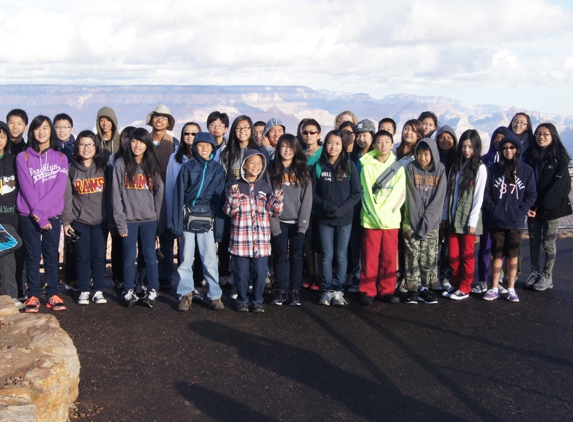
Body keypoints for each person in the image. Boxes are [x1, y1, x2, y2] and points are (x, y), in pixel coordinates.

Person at [16, 116, 69, 312]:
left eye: (45, 128)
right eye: (38, 128)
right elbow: (26, 187)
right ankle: (33, 295)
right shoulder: (23, 157)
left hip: (51, 216)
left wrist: (43, 215)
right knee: (32, 255)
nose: (41, 132)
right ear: (33, 132)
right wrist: (39, 216)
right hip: (29, 215)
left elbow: (58, 189)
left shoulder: (61, 158)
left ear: (51, 131)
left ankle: (53, 293)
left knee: (51, 255)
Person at [223, 150, 283, 313]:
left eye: (259, 163)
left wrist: (277, 199)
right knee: (241, 274)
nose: (256, 166)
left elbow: (274, 212)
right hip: (240, 242)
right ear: (244, 165)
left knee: (260, 272)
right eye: (252, 162)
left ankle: (257, 300)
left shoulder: (265, 186)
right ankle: (242, 300)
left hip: (261, 242)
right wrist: (234, 195)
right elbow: (229, 211)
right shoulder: (235, 185)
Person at [172, 132, 226, 311]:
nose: (204, 148)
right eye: (200, 145)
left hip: (207, 220)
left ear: (213, 148)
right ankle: (186, 294)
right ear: (194, 147)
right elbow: (178, 196)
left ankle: (215, 295)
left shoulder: (217, 169)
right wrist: (177, 224)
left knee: (210, 258)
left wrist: (219, 229)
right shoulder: (187, 168)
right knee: (185, 259)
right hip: (188, 217)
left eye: (208, 145)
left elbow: (219, 200)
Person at [112, 128, 164, 308]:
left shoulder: (152, 165)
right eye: (134, 141)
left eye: (141, 142)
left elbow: (159, 192)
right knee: (128, 257)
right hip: (128, 220)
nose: (137, 145)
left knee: (149, 256)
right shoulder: (121, 164)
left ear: (147, 144)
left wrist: (156, 217)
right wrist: (120, 223)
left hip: (149, 220)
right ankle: (128, 290)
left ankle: (152, 289)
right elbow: (116, 196)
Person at [482, 133, 536, 302]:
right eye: (504, 148)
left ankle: (511, 288)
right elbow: (487, 193)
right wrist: (493, 210)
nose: (508, 150)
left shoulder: (526, 170)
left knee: (512, 255)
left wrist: (520, 211)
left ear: (517, 149)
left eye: (512, 147)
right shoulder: (494, 169)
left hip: (516, 221)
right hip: (497, 220)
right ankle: (494, 287)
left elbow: (531, 194)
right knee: (497, 254)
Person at [312, 130, 361, 306]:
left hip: (345, 219)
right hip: (324, 218)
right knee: (327, 255)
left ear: (343, 146)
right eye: (330, 143)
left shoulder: (349, 166)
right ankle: (326, 290)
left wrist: (342, 210)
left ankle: (338, 290)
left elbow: (356, 194)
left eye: (337, 143)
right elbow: (313, 193)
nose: (333, 146)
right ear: (325, 145)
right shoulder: (318, 166)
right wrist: (326, 206)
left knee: (341, 255)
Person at [358, 130, 406, 304]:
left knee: (389, 256)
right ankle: (368, 290)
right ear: (374, 145)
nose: (383, 145)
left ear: (393, 145)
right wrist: (376, 215)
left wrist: (387, 214)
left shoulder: (398, 168)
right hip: (371, 220)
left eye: (387, 141)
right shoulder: (367, 167)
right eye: (379, 142)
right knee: (370, 256)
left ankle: (387, 290)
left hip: (391, 221)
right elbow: (366, 195)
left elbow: (400, 194)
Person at [63, 130, 109, 305]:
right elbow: (67, 197)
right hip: (80, 221)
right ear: (77, 147)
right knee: (82, 256)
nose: (86, 148)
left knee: (98, 256)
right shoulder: (71, 169)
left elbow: (112, 195)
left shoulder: (105, 168)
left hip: (101, 221)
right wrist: (67, 221)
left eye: (90, 144)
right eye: (82, 144)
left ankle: (98, 289)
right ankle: (83, 290)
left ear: (95, 147)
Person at [523, 123, 572, 291]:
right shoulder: (530, 155)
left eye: (545, 134)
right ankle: (535, 273)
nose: (541, 137)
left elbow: (562, 186)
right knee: (534, 241)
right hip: (533, 206)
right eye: (538, 134)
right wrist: (529, 203)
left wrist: (544, 205)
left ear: (553, 136)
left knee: (549, 242)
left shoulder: (560, 158)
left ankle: (547, 276)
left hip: (551, 208)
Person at [441, 130, 487, 300]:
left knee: (466, 255)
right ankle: (455, 283)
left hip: (468, 219)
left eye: (471, 147)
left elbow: (478, 197)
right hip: (453, 218)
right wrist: (445, 215)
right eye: (464, 146)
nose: (467, 150)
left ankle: (465, 287)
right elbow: (449, 193)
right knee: (453, 254)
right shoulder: (456, 166)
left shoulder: (480, 168)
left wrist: (473, 219)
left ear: (476, 148)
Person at [402, 139, 447, 304]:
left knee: (428, 257)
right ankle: (412, 290)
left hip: (431, 224)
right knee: (412, 256)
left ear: (433, 153)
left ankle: (425, 289)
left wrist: (426, 222)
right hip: (412, 223)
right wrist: (417, 222)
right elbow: (411, 197)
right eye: (420, 154)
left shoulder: (440, 170)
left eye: (427, 154)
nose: (423, 158)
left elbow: (438, 200)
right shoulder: (411, 168)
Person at [269, 134, 312, 306]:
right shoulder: (272, 170)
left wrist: (303, 224)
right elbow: (268, 199)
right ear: (278, 149)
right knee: (279, 256)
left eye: (290, 147)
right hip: (278, 221)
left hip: (297, 222)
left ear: (296, 150)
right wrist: (274, 225)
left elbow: (307, 199)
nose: (287, 150)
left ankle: (294, 290)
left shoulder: (303, 171)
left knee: (296, 257)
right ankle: (280, 290)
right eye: (283, 146)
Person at [146, 105, 179, 290]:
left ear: (168, 122)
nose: (159, 120)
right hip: (145, 193)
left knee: (167, 238)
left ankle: (165, 276)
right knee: (146, 239)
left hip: (167, 195)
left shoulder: (174, 143)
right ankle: (146, 276)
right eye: (156, 116)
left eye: (164, 118)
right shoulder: (144, 140)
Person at [473, 126, 509, 294]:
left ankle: (497, 279)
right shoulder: (484, 159)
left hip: (504, 211)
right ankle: (483, 279)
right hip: (487, 209)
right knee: (485, 244)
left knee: (500, 247)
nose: (498, 140)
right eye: (496, 137)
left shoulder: (511, 163)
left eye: (502, 137)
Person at [108, 126, 135, 291]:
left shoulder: (142, 160)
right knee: (118, 245)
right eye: (124, 137)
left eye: (130, 137)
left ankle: (134, 278)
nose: (127, 140)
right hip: (118, 210)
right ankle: (118, 277)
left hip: (136, 212)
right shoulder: (113, 159)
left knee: (133, 248)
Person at [0, 121, 23, 310]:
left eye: (2, 136)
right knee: (12, 247)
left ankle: (9, 297)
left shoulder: (14, 160)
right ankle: (10, 297)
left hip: (11, 218)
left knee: (8, 258)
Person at [434, 125, 458, 291]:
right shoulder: (434, 158)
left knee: (448, 243)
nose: (445, 141)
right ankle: (434, 274)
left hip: (451, 205)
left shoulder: (458, 159)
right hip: (435, 203)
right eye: (441, 137)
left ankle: (445, 274)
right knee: (435, 242)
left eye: (449, 137)